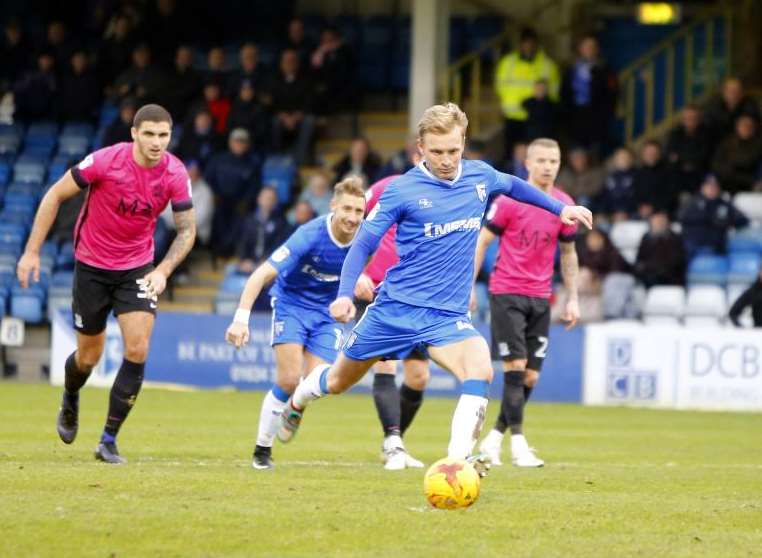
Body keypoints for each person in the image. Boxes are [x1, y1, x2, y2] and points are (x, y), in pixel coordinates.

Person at [274, 103, 591, 471]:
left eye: (454, 151)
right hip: (393, 311)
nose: (446, 160)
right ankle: (298, 399)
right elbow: (363, 244)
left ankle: (456, 463)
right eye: (437, 152)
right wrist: (345, 293)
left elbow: (515, 185)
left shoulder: (480, 177)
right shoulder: (402, 190)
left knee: (480, 369)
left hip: (446, 316)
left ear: (463, 144)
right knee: (339, 380)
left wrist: (558, 209)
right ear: (421, 148)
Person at [16, 104, 196, 464]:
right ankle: (70, 395)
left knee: (138, 349)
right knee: (89, 357)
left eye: (163, 135)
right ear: (134, 133)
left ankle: (108, 440)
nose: (157, 142)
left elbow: (187, 229)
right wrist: (32, 252)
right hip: (92, 267)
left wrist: (162, 271)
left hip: (138, 269)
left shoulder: (175, 173)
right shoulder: (104, 161)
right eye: (149, 134)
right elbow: (54, 195)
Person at [224, 177, 366, 469]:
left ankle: (296, 406)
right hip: (292, 305)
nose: (352, 218)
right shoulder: (310, 234)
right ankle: (262, 450)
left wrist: (360, 289)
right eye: (347, 209)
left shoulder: (365, 240)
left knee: (317, 383)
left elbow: (374, 273)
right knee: (289, 380)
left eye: (358, 212)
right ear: (333, 206)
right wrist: (241, 319)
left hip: (329, 314)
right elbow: (261, 275)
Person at [472, 138, 580, 468]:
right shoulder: (509, 201)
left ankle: (493, 440)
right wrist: (469, 287)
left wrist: (572, 297)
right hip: (506, 293)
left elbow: (568, 252)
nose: (548, 166)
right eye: (542, 160)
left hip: (541, 297)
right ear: (528, 164)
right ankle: (519, 445)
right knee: (515, 369)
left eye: (554, 161)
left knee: (529, 378)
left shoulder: (564, 205)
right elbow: (482, 241)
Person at [356, 166, 431, 471]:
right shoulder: (386, 187)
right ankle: (393, 443)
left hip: (418, 298)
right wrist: (357, 273)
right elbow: (355, 226)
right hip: (379, 294)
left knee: (418, 377)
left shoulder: (445, 199)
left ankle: (394, 443)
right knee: (384, 366)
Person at [495, 28, 560, 155]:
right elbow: (500, 86)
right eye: (525, 43)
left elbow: (554, 93)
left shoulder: (548, 65)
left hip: (537, 119)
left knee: (535, 154)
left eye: (531, 43)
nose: (528, 46)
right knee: (512, 153)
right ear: (520, 44)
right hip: (513, 116)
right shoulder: (507, 63)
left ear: (536, 44)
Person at [678, 174, 749, 259]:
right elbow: (681, 217)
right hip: (693, 244)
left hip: (716, 246)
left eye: (715, 186)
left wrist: (726, 221)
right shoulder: (692, 203)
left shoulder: (724, 205)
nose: (712, 189)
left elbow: (742, 220)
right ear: (702, 188)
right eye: (709, 186)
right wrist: (705, 218)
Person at [633, 211, 686, 288]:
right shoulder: (646, 238)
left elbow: (676, 262)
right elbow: (640, 259)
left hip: (669, 277)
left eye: (661, 221)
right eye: (656, 221)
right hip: (649, 275)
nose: (658, 223)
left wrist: (652, 267)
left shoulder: (674, 238)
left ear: (667, 222)